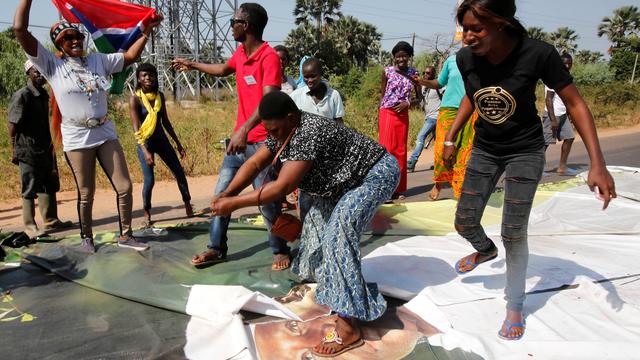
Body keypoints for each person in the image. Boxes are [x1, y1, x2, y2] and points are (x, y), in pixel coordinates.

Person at [445, 0, 616, 341]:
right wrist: (451, 137)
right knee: (464, 220)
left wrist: (598, 162)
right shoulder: (465, 59)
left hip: (525, 150)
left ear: (501, 24)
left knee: (513, 231)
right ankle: (485, 249)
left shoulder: (537, 53)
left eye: (476, 29)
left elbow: (575, 103)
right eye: (465, 29)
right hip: (485, 148)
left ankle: (515, 304)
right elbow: (472, 96)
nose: (467, 37)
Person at [209, 91, 400, 357]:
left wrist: (233, 204)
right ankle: (337, 289)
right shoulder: (283, 130)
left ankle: (348, 324)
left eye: (274, 130)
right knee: (313, 244)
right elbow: (253, 163)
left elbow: (283, 186)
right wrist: (228, 192)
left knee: (339, 234)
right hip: (337, 185)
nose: (272, 135)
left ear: (290, 118)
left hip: (373, 175)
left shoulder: (307, 133)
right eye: (268, 131)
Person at [13, 0, 162, 253]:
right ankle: (87, 238)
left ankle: (126, 235)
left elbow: (130, 57)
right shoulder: (52, 65)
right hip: (77, 135)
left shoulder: (98, 61)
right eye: (67, 38)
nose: (75, 41)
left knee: (124, 186)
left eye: (77, 36)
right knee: (86, 192)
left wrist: (147, 30)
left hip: (104, 131)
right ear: (58, 43)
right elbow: (20, 30)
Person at [172, 3, 291, 270]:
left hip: (262, 143)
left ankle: (280, 248)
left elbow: (269, 102)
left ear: (246, 25)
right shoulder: (240, 52)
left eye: (233, 21)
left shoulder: (268, 57)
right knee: (222, 195)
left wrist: (243, 129)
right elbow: (224, 69)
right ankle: (216, 248)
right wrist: (192, 64)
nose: (231, 25)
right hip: (239, 144)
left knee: (266, 201)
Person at [8, 60, 73, 236]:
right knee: (29, 187)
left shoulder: (44, 95)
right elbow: (13, 124)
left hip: (45, 147)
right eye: (36, 71)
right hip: (27, 150)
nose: (40, 75)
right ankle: (30, 226)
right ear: (28, 73)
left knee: (49, 184)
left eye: (43, 72)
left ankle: (51, 221)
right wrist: (14, 149)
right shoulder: (23, 95)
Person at [129, 63, 193, 227]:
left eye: (151, 75)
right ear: (138, 78)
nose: (148, 78)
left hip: (162, 141)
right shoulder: (135, 99)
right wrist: (145, 151)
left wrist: (178, 144)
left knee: (179, 172)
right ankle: (147, 211)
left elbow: (166, 122)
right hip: (146, 143)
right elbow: (136, 128)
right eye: (144, 75)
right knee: (149, 180)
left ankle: (187, 203)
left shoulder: (160, 96)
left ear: (155, 77)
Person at [416, 51, 477, 201]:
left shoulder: (482, 59)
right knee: (442, 150)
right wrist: (422, 82)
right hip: (449, 109)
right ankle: (439, 183)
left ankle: (459, 190)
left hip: (471, 110)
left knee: (465, 151)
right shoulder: (451, 60)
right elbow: (439, 83)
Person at [378, 41, 422, 200]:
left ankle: (398, 189)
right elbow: (382, 95)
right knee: (387, 150)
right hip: (387, 113)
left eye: (404, 56)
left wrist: (408, 103)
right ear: (394, 57)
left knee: (401, 151)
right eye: (398, 56)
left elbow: (420, 98)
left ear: (409, 57)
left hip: (403, 115)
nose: (401, 59)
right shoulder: (387, 71)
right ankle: (384, 188)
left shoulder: (414, 73)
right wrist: (380, 115)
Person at [542, 53, 577, 175]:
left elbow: (567, 98)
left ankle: (562, 167)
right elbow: (548, 99)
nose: (567, 66)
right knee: (545, 143)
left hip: (563, 114)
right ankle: (537, 169)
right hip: (553, 115)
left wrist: (569, 114)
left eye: (569, 63)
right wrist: (552, 119)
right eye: (565, 63)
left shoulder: (567, 77)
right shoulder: (553, 76)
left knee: (569, 138)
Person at [407, 66, 443, 172]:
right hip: (428, 117)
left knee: (420, 137)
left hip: (435, 117)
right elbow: (419, 99)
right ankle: (440, 163)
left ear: (433, 75)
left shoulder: (438, 85)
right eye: (425, 73)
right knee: (438, 142)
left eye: (428, 73)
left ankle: (412, 161)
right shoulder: (424, 87)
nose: (426, 75)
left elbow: (446, 96)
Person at [289, 57, 345, 123]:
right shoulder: (296, 96)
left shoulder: (333, 95)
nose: (309, 80)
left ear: (321, 74)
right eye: (306, 77)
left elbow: (339, 121)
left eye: (313, 76)